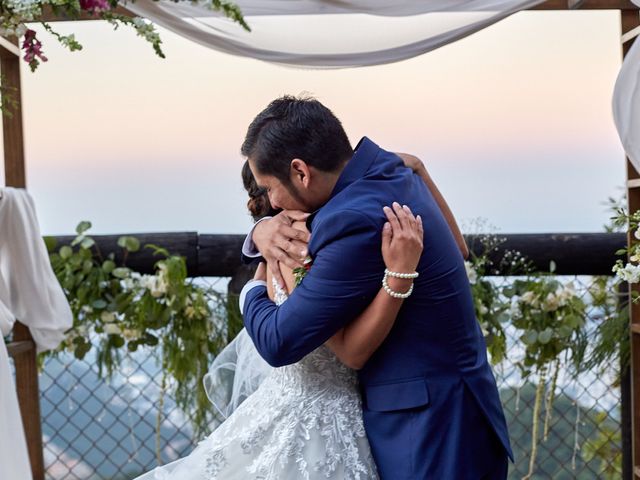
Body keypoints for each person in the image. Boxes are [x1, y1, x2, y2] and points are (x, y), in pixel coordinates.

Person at [240, 95, 512, 479]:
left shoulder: (349, 219)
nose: (270, 200)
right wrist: (261, 229)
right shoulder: (391, 171)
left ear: (300, 171)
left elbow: (278, 342)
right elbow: (459, 248)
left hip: (428, 428)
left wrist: (249, 292)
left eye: (269, 188)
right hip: (461, 405)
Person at [134, 164, 425, 479]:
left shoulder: (277, 247)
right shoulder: (303, 251)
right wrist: (398, 276)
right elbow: (349, 352)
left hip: (296, 402)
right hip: (320, 418)